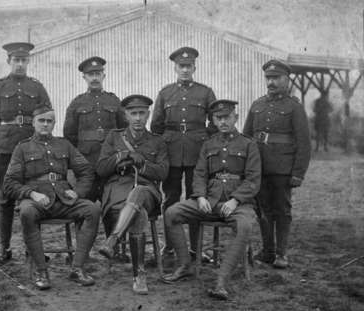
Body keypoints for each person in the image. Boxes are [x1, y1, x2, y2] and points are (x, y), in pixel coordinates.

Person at [161, 100, 261, 300]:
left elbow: (253, 179)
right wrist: (199, 197)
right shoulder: (208, 144)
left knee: (245, 227)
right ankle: (185, 265)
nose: (223, 121)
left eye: (227, 117)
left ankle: (221, 281)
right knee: (172, 213)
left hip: (239, 204)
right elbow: (199, 174)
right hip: (210, 201)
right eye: (219, 118)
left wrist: (235, 200)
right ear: (213, 120)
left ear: (236, 118)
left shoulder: (249, 145)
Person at [3, 107, 101, 290]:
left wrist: (78, 192)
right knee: (26, 212)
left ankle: (77, 268)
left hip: (64, 200)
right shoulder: (22, 148)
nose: (45, 124)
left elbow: (86, 171)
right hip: (36, 200)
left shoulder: (64, 145)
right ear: (33, 122)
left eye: (49, 121)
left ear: (54, 124)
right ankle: (41, 270)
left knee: (92, 209)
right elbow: (9, 182)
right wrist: (31, 194)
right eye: (41, 120)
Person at [0, 42, 51, 264]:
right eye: (16, 60)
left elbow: (47, 114)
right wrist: (2, 138)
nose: (20, 64)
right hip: (6, 149)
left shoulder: (37, 87)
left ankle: (34, 249)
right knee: (6, 199)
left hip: (32, 147)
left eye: (24, 60)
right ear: (9, 61)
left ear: (28, 61)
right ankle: (4, 248)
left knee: (34, 196)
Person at [97, 95, 169, 294]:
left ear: (148, 115)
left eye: (142, 113)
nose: (138, 118)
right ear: (126, 115)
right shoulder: (114, 137)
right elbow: (101, 168)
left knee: (138, 193)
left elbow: (163, 172)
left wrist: (142, 164)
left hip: (148, 192)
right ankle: (139, 275)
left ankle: (112, 240)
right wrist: (122, 155)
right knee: (139, 214)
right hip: (118, 191)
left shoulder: (157, 141)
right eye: (133, 113)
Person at [243, 59, 311, 268]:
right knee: (263, 210)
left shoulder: (294, 107)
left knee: (282, 210)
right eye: (268, 78)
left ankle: (281, 254)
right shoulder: (257, 105)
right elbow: (246, 138)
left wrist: (298, 173)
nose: (271, 82)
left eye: (276, 78)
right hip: (260, 168)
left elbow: (304, 143)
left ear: (286, 79)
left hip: (283, 168)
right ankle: (267, 251)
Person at [151, 46, 216, 260]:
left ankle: (196, 248)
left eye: (189, 66)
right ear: (175, 68)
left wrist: (204, 139)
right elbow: (156, 126)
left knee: (196, 197)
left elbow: (215, 122)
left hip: (197, 152)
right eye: (181, 66)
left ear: (194, 67)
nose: (185, 70)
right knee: (170, 198)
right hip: (171, 152)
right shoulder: (165, 93)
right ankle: (170, 246)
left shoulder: (205, 92)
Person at [63, 56, 127, 202]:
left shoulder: (114, 101)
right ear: (84, 77)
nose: (94, 78)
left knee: (111, 199)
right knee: (86, 200)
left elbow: (123, 129)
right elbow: (69, 134)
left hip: (110, 159)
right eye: (90, 75)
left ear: (103, 76)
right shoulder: (77, 103)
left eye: (97, 74)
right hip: (86, 160)